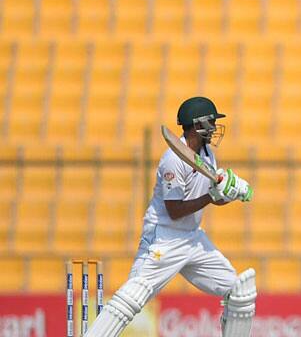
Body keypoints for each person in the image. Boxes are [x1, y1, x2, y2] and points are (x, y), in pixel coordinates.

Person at [86, 96, 256, 337]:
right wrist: (211, 196)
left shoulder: (206, 153)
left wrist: (230, 192)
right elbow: (174, 211)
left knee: (239, 292)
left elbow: (212, 197)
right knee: (135, 293)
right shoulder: (173, 160)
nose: (215, 128)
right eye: (211, 122)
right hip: (164, 238)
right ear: (197, 125)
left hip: (193, 238)